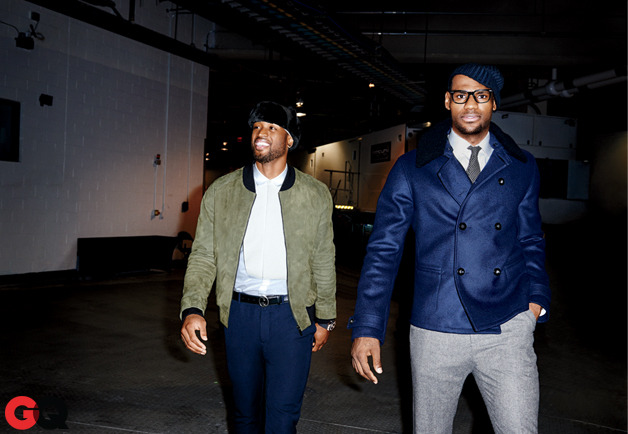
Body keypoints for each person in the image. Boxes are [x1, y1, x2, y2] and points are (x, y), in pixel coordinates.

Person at [349, 63, 551, 433]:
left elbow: (531, 239)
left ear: (493, 103)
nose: (470, 104)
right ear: (447, 101)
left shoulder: (521, 166)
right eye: (461, 95)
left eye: (481, 95)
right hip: (436, 325)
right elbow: (384, 251)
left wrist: (535, 300)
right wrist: (367, 326)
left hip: (506, 325)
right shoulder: (412, 168)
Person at [180, 101, 337, 433]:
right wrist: (192, 308)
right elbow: (204, 255)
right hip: (240, 317)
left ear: (289, 139)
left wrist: (326, 318)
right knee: (244, 416)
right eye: (256, 127)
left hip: (292, 319)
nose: (261, 133)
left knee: (282, 419)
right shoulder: (221, 191)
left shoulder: (315, 194)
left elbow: (323, 257)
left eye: (271, 127)